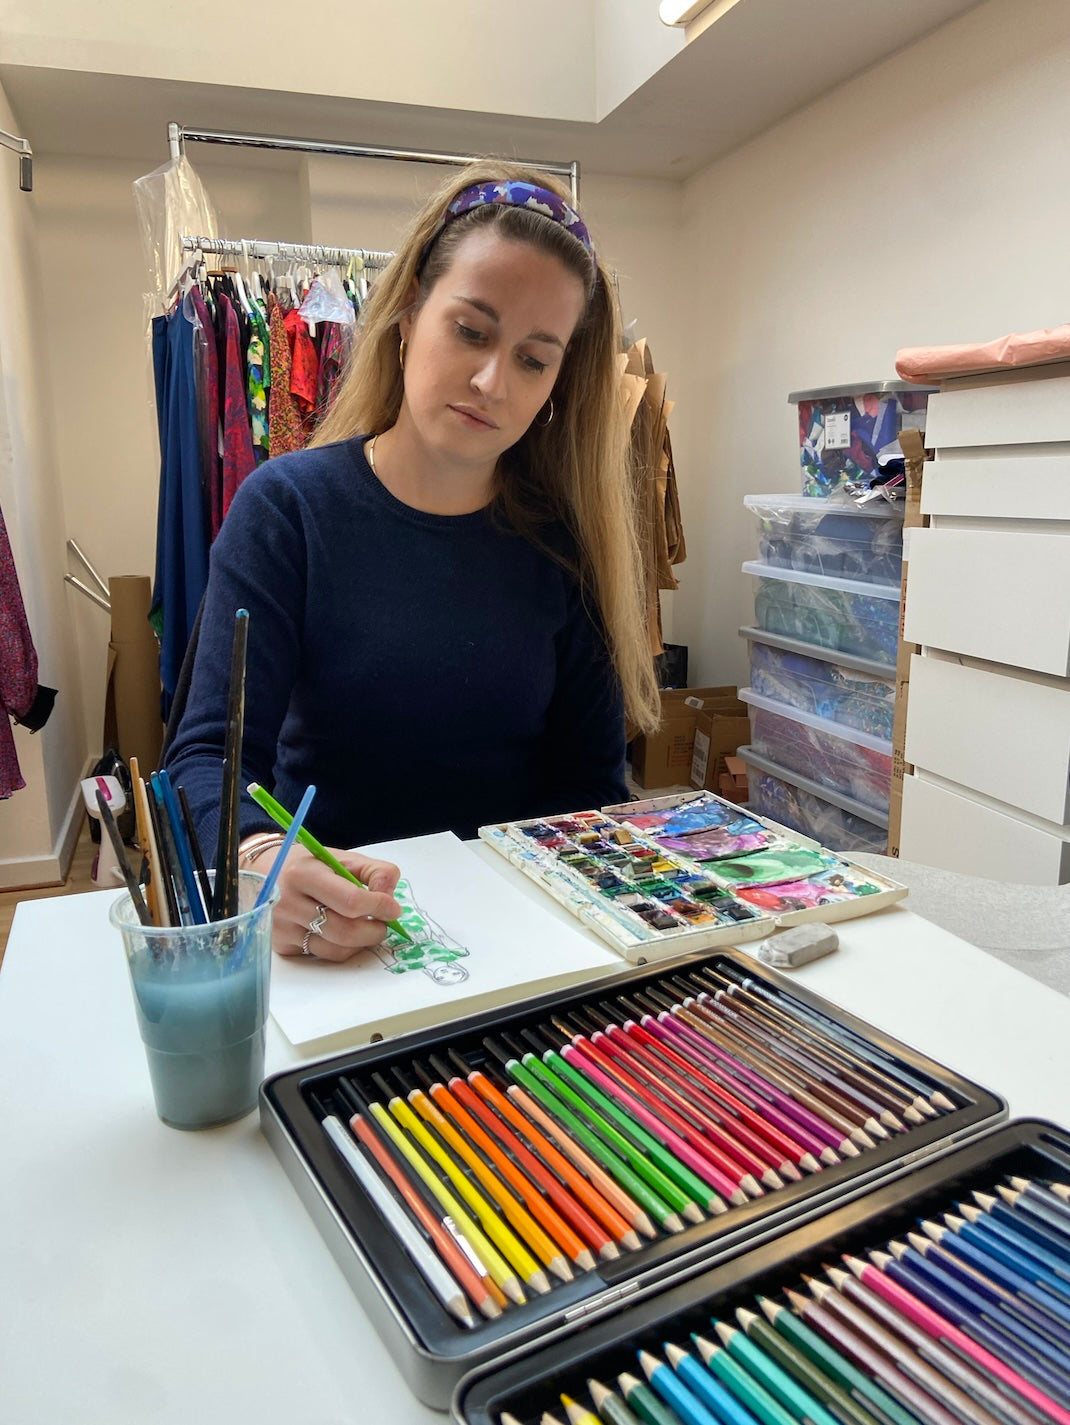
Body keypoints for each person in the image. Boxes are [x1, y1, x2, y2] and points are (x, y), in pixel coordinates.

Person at [165, 161, 660, 961]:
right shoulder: (287, 511)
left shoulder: (567, 547)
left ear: (558, 383)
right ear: (407, 314)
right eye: (471, 330)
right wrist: (258, 858)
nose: (492, 381)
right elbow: (206, 759)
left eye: (534, 359)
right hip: (326, 943)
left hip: (512, 944)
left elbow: (591, 785)